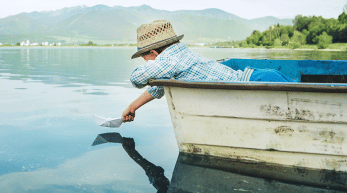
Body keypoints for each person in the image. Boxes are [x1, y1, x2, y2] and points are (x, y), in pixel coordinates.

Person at [122, 20, 295, 123]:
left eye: (145, 59)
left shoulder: (169, 60)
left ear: (153, 53)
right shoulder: (179, 56)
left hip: (256, 82)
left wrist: (148, 69)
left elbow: (136, 79)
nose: (147, 63)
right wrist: (133, 106)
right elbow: (159, 88)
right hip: (259, 76)